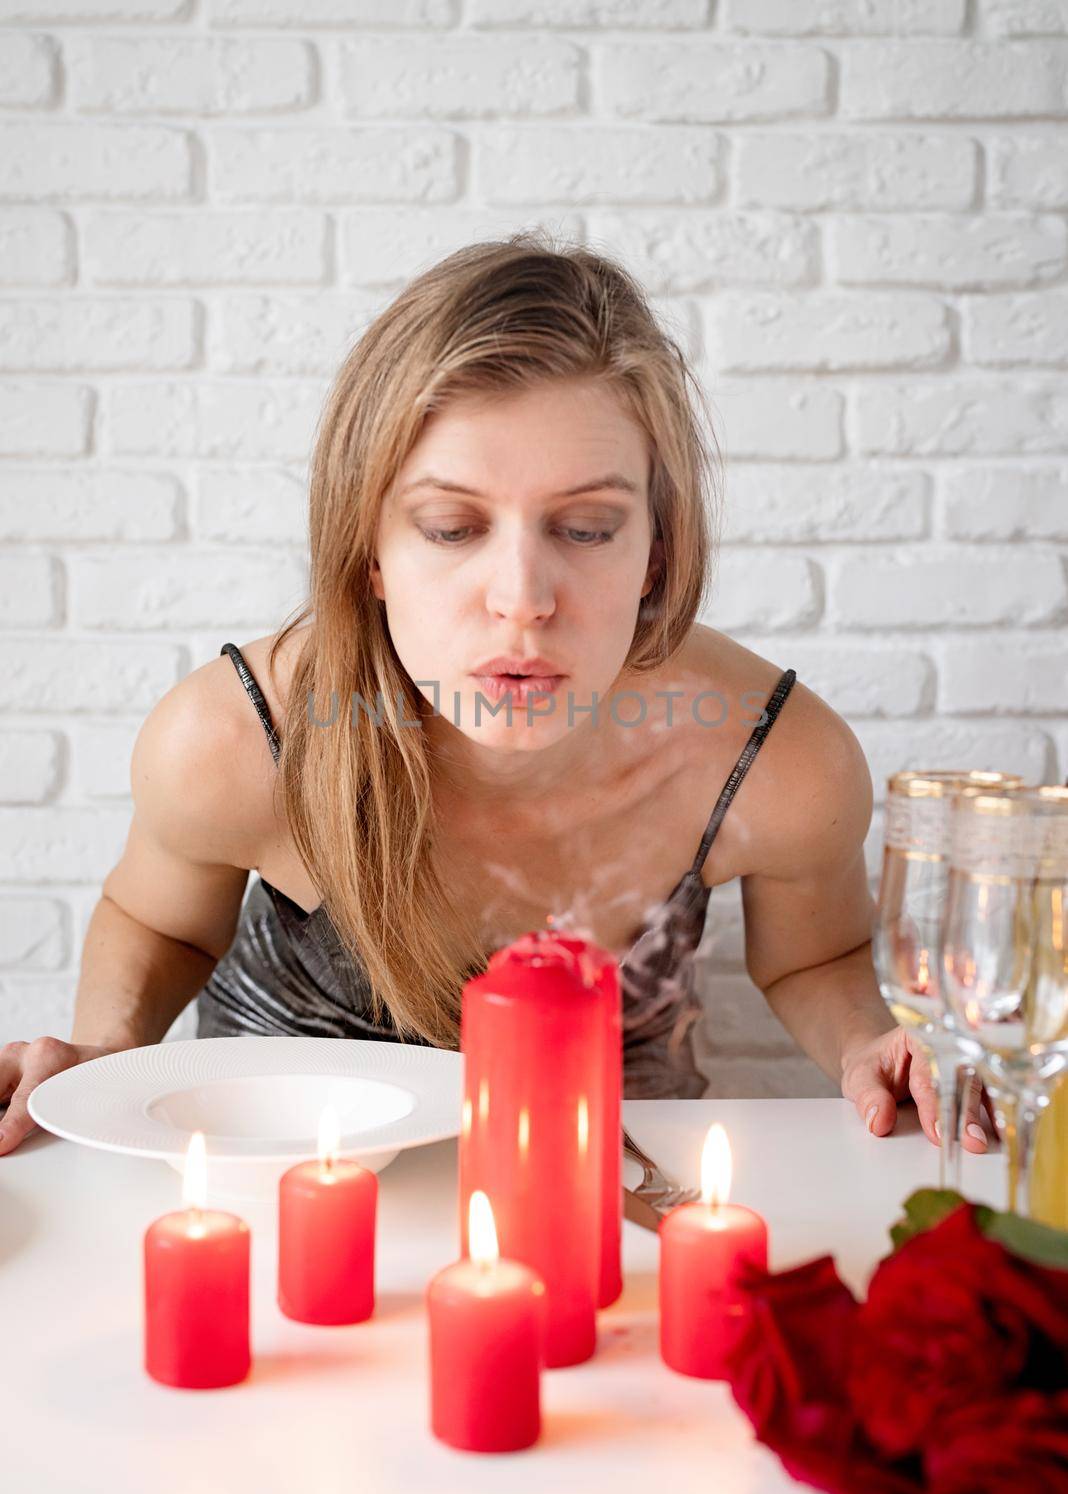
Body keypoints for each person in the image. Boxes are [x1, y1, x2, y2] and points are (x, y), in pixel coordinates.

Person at [0, 232, 989, 1157]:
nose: (523, 601)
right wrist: (104, 1052)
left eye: (590, 527)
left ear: (657, 552)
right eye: (450, 526)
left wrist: (869, 1042)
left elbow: (811, 958)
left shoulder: (773, 759)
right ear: (371, 554)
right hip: (282, 1218)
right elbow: (161, 920)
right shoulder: (231, 740)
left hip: (614, 1227)